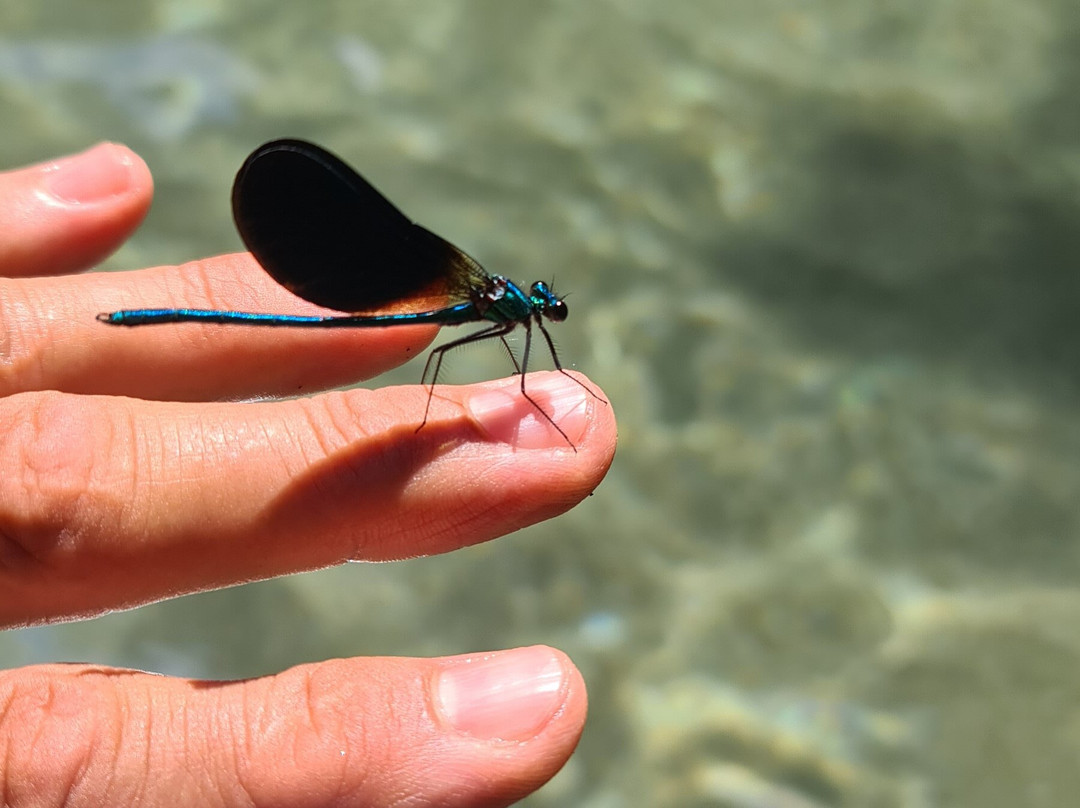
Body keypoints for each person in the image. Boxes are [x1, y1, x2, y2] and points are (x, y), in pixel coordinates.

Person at [0, 143, 617, 807]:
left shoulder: (494, 302)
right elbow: (473, 363)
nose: (545, 316)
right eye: (545, 310)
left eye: (548, 308)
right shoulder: (494, 302)